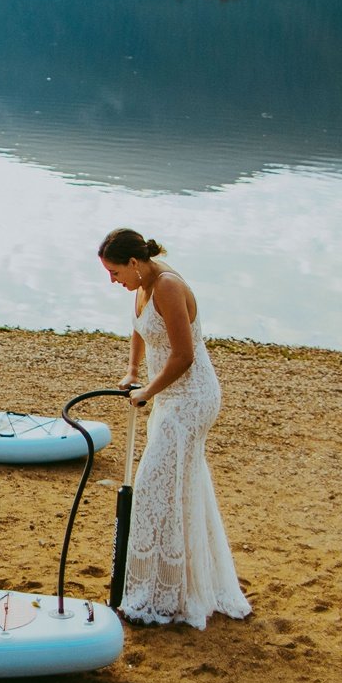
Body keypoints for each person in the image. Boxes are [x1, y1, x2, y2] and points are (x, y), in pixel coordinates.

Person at [98, 227, 251, 628]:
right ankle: (178, 586)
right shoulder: (142, 283)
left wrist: (148, 390)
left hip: (192, 397)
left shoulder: (166, 286)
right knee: (178, 486)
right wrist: (133, 372)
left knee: (151, 486)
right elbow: (139, 327)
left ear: (134, 262)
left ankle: (159, 596)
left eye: (115, 272)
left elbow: (183, 355)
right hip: (168, 397)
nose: (112, 280)